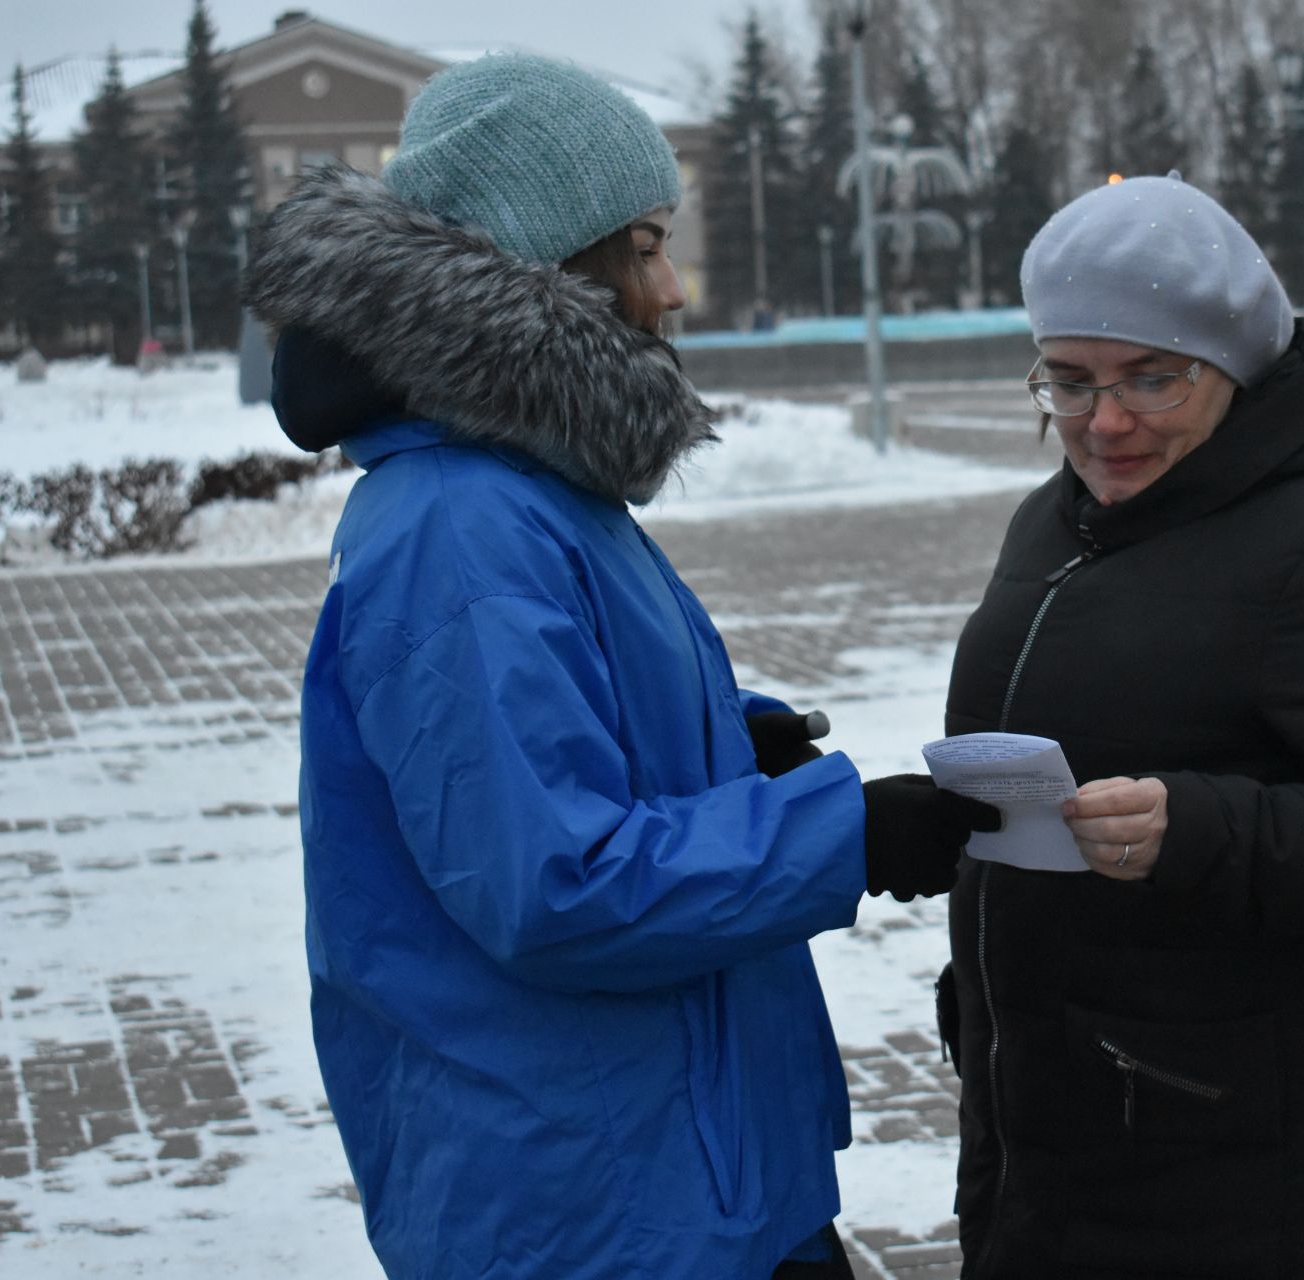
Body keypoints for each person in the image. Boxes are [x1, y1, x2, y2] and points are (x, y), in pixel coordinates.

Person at [243, 54, 997, 1280]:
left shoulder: (529, 489)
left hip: (669, 1170)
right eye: (643, 246)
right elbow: (555, 882)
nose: (673, 287)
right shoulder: (459, 526)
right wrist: (846, 836)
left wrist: (716, 744)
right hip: (591, 1207)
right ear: (544, 271)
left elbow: (546, 755)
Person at [936, 174, 1304, 1278]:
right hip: (1052, 1124)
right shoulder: (1055, 519)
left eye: (1153, 376)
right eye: (1070, 381)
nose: (1107, 419)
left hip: (1242, 1165)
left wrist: (1201, 828)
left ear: (1230, 365)